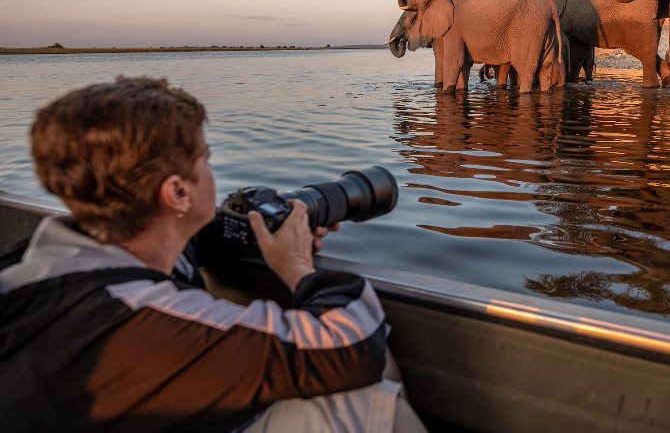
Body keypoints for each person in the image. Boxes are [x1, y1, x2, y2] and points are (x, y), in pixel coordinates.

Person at [0, 77, 426, 433]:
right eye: (204, 159)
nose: (211, 170)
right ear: (177, 192)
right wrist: (297, 266)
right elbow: (352, 340)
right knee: (365, 399)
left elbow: (189, 243)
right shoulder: (139, 319)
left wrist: (254, 228)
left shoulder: (35, 261)